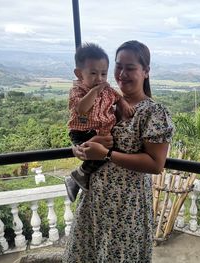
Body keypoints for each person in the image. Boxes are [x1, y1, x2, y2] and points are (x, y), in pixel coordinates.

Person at [63, 40, 174, 262]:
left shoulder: (153, 112)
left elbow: (155, 164)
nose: (122, 74)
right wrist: (81, 150)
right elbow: (82, 126)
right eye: (118, 66)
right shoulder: (106, 105)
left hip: (125, 208)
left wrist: (104, 154)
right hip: (94, 201)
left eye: (130, 68)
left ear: (146, 71)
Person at [65, 42, 134, 202]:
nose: (99, 78)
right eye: (93, 73)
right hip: (82, 132)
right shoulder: (77, 90)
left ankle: (78, 176)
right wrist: (95, 91)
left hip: (100, 132)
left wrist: (123, 104)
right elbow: (82, 108)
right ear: (79, 73)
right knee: (101, 153)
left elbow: (117, 97)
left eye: (103, 74)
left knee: (110, 151)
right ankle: (78, 176)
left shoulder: (107, 89)